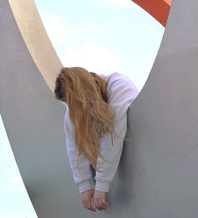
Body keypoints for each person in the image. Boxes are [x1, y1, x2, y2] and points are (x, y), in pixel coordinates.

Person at [54, 67, 139, 212]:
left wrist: (101, 185)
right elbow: (73, 146)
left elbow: (112, 134)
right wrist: (84, 185)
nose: (72, 107)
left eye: (73, 101)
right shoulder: (73, 108)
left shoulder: (119, 85)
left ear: (82, 92)